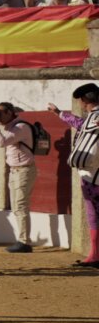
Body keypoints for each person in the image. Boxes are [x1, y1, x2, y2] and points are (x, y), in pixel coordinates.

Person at [53, 83, 99, 267]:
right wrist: (58, 113)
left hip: (93, 174)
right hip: (91, 173)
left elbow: (80, 125)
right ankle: (95, 255)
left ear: (83, 100)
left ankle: (95, 255)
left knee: (94, 214)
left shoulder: (93, 118)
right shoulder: (91, 119)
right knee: (93, 213)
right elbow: (79, 124)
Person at [0, 102, 38, 253]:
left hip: (24, 171)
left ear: (9, 112)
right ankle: (22, 240)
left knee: (20, 206)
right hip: (15, 171)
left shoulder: (21, 127)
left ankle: (24, 241)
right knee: (16, 207)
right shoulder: (11, 127)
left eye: (0, 114)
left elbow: (1, 142)